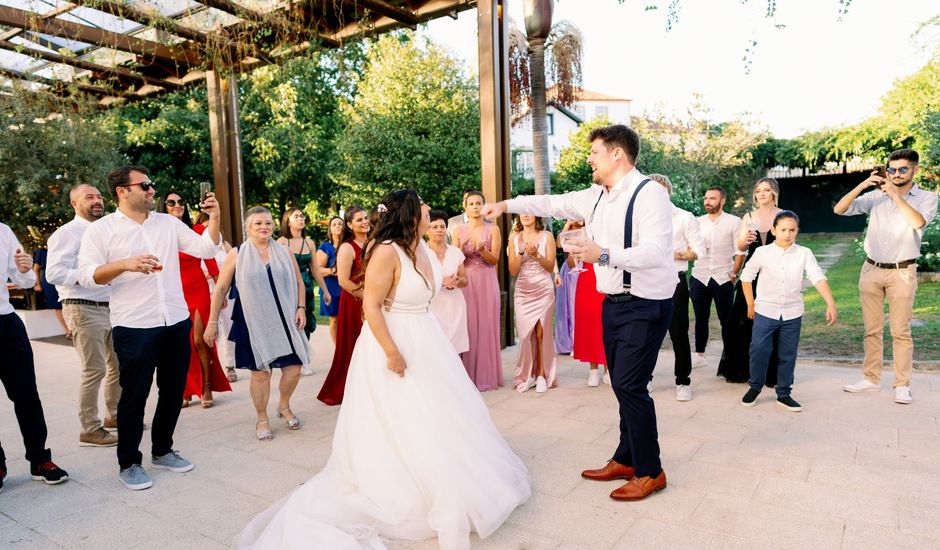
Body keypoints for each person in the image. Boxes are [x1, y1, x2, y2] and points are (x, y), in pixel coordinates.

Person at [235, 190, 529, 549]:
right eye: (422, 204)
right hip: (393, 341)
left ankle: (443, 472)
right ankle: (402, 482)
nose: (427, 208)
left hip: (428, 338)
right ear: (409, 213)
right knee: (402, 414)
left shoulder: (418, 247)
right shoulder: (386, 250)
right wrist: (392, 352)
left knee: (440, 412)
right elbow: (371, 306)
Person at [483, 124, 676, 501]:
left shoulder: (650, 194)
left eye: (595, 152)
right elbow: (550, 204)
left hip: (646, 303)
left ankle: (651, 471)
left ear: (617, 154)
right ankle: (626, 457)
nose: (589, 158)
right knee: (621, 383)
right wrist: (506, 206)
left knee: (630, 386)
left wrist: (600, 254)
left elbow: (655, 253)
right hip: (612, 304)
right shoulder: (594, 196)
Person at [78, 165, 221, 491]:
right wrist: (125, 264)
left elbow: (205, 249)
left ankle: (163, 450)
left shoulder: (168, 223)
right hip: (134, 325)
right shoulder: (101, 231)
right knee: (135, 395)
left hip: (174, 319)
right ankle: (128, 463)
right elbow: (87, 275)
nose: (152, 190)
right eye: (145, 185)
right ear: (122, 191)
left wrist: (213, 218)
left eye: (151, 184)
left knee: (173, 391)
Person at [205, 207, 319, 441]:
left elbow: (299, 282)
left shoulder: (284, 251)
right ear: (248, 227)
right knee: (261, 374)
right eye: (258, 223)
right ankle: (261, 417)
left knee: (293, 368)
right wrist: (212, 321)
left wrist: (300, 307)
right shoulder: (237, 253)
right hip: (251, 320)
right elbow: (220, 289)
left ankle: (284, 406)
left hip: (286, 318)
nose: (264, 227)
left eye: (267, 223)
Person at [835, 149, 938, 404]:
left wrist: (894, 195)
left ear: (915, 170)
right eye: (892, 169)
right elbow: (839, 209)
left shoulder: (927, 197)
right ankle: (871, 378)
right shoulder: (875, 197)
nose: (896, 174)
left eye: (903, 169)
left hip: (902, 271)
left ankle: (902, 384)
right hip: (871, 269)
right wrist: (863, 184)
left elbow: (917, 223)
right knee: (872, 330)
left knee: (900, 331)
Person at [739, 211, 838, 412]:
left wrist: (831, 303)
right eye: (783, 229)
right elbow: (746, 277)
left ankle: (783, 393)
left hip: (792, 313)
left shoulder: (804, 253)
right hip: (765, 311)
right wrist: (751, 304)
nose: (787, 234)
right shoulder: (762, 253)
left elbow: (817, 277)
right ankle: (755, 387)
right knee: (759, 349)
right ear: (774, 230)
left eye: (792, 230)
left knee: (787, 354)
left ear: (797, 231)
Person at [46, 184, 120, 447]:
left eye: (99, 196)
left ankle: (114, 418)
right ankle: (89, 428)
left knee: (118, 367)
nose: (97, 201)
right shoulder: (66, 234)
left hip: (112, 307)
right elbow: (53, 273)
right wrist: (88, 278)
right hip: (82, 305)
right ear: (75, 203)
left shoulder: (107, 231)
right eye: (90, 197)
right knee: (94, 369)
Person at [1, 221, 70, 492]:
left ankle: (40, 460)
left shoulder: (3, 231)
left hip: (6, 323)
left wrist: (24, 269)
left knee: (27, 394)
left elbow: (26, 281)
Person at [157, 190, 231, 408]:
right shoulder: (158, 234)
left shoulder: (196, 229)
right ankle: (186, 388)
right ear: (163, 206)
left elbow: (209, 259)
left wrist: (220, 291)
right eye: (171, 202)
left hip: (197, 289)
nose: (177, 205)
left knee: (199, 340)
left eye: (180, 201)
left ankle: (206, 385)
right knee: (181, 344)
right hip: (174, 293)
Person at [718, 178, 783, 385]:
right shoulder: (748, 217)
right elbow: (741, 247)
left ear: (774, 193)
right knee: (740, 322)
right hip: (751, 276)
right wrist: (744, 241)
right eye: (758, 191)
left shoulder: (783, 215)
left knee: (771, 323)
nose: (762, 194)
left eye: (766, 190)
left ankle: (770, 373)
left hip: (774, 275)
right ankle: (741, 370)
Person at [649, 174, 705, 401]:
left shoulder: (684, 217)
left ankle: (683, 381)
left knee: (678, 332)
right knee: (647, 333)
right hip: (647, 280)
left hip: (674, 279)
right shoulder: (642, 218)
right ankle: (646, 377)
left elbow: (699, 250)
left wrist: (675, 254)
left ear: (668, 192)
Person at [317, 206, 369, 406]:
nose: (364, 222)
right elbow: (343, 281)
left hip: (373, 299)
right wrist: (366, 296)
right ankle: (345, 386)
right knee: (353, 342)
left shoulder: (373, 243)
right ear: (349, 224)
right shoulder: (347, 247)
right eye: (359, 220)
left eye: (365, 218)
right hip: (354, 300)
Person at [689, 186, 745, 371]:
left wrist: (734, 274)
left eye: (712, 198)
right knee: (700, 318)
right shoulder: (696, 222)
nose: (707, 201)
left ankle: (730, 357)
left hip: (723, 277)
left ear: (722, 201)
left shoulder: (734, 222)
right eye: (705, 198)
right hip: (700, 276)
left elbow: (740, 251)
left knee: (727, 320)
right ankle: (699, 355)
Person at [457, 190, 503, 392]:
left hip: (486, 279)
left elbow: (495, 260)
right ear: (465, 206)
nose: (475, 207)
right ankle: (466, 376)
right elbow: (455, 260)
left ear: (484, 207)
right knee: (468, 326)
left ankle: (486, 375)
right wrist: (460, 248)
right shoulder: (458, 230)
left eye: (479, 203)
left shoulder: (493, 229)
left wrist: (483, 250)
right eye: (472, 203)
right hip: (466, 281)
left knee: (485, 325)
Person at [277, 207, 332, 376]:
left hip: (306, 286)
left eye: (302, 216)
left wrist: (325, 290)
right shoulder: (281, 242)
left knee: (305, 322)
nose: (301, 219)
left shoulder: (309, 243)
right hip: (287, 287)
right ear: (288, 220)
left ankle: (305, 359)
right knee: (290, 323)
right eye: (296, 216)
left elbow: (315, 268)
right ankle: (292, 358)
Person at [508, 214, 557, 393]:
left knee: (540, 333)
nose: (526, 215)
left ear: (536, 215)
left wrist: (536, 254)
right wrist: (521, 252)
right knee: (524, 336)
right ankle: (527, 375)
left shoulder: (547, 236)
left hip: (543, 289)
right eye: (522, 212)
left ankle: (543, 374)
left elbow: (550, 267)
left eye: (529, 211)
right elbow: (513, 270)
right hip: (522, 291)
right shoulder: (513, 239)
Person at [196, 211, 238, 383]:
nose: (210, 230)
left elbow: (236, 265)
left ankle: (230, 366)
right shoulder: (196, 246)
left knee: (229, 329)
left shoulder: (224, 245)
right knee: (211, 331)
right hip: (205, 293)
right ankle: (212, 366)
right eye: (206, 227)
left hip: (225, 293)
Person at [567, 220, 609, 386]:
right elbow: (571, 264)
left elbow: (612, 257)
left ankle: (608, 369)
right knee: (589, 323)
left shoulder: (608, 228)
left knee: (606, 323)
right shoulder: (580, 234)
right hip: (586, 279)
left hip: (606, 277)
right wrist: (572, 254)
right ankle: (593, 370)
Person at [426, 209, 469, 354]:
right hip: (432, 308)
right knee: (434, 349)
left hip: (455, 308)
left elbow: (465, 280)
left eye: (442, 227)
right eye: (435, 227)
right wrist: (441, 282)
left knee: (454, 351)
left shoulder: (455, 252)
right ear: (427, 230)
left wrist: (457, 281)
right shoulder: (422, 253)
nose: (439, 230)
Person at [315, 216, 344, 344]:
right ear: (330, 229)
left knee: (350, 318)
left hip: (348, 287)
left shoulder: (349, 245)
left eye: (340, 224)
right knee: (334, 319)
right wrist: (333, 271)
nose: (337, 226)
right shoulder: (325, 247)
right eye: (334, 224)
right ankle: (338, 348)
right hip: (331, 288)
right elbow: (317, 269)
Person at [31, 245, 70, 338]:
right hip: (48, 278)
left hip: (61, 276)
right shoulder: (42, 251)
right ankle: (67, 330)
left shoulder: (62, 250)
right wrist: (37, 283)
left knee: (65, 302)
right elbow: (35, 268)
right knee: (57, 305)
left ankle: (72, 329)